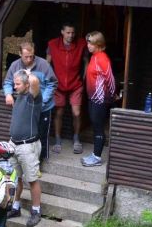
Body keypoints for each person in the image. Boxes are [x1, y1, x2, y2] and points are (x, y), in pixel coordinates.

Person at [3, 42, 58, 161]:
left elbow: (52, 83)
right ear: (20, 54)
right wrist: (8, 94)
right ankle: (28, 159)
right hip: (24, 108)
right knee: (29, 134)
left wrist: (42, 101)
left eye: (31, 56)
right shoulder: (15, 65)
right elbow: (8, 82)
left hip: (43, 107)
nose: (29, 59)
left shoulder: (43, 64)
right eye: (26, 57)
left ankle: (42, 160)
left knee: (42, 134)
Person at [5, 70, 43, 227]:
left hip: (28, 146)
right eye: (14, 83)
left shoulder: (33, 97)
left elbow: (35, 82)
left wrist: (28, 73)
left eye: (18, 84)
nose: (14, 87)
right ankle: (15, 207)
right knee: (15, 178)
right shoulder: (20, 96)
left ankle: (36, 211)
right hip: (14, 144)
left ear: (27, 84)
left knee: (32, 180)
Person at [47, 22, 87, 154]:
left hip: (76, 84)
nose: (71, 35)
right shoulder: (53, 44)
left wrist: (84, 79)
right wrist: (49, 80)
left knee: (77, 113)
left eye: (73, 33)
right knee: (59, 112)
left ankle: (76, 139)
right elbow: (47, 63)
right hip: (58, 85)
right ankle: (58, 140)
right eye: (68, 32)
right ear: (62, 32)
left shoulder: (81, 44)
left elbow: (86, 62)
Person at [81, 31, 117, 167]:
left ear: (98, 44)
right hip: (93, 98)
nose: (88, 45)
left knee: (98, 127)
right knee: (95, 126)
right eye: (88, 42)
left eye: (90, 43)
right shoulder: (94, 57)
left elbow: (110, 79)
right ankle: (95, 154)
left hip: (100, 100)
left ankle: (96, 157)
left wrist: (112, 95)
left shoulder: (102, 58)